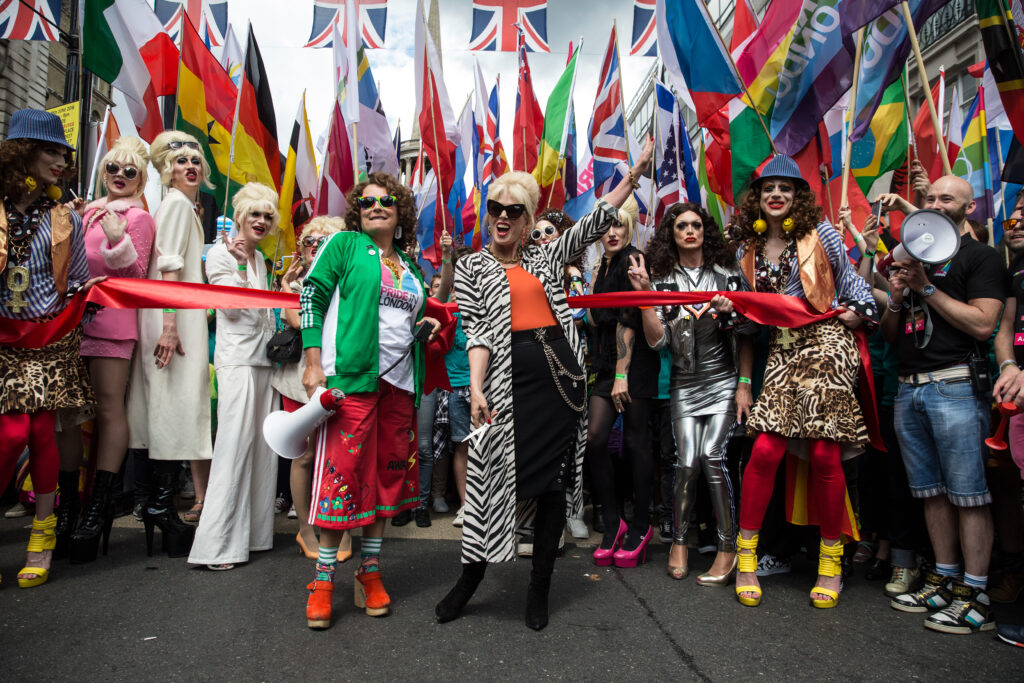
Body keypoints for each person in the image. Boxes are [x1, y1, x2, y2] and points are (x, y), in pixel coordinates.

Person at [434, 139, 653, 630]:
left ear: (529, 218)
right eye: (497, 209)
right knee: (490, 483)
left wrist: (633, 175)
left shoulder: (547, 256)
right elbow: (479, 331)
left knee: (552, 486)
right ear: (488, 215)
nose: (504, 216)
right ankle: (470, 580)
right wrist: (475, 386)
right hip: (507, 390)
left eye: (515, 209)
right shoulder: (472, 267)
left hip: (561, 384)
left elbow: (598, 218)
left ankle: (540, 588)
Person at [731, 155, 877, 609]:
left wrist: (858, 311)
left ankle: (830, 566)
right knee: (766, 449)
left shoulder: (823, 235)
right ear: (758, 198)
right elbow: (748, 322)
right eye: (769, 188)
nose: (777, 195)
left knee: (823, 453)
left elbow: (856, 286)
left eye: (786, 189)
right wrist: (729, 313)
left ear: (798, 198)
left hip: (828, 345)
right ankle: (747, 558)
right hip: (783, 350)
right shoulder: (745, 253)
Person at [300, 172, 442, 629]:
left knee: (385, 479)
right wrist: (312, 361)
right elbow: (312, 295)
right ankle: (323, 581)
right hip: (353, 383)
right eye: (367, 201)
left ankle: (370, 572)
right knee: (341, 477)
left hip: (400, 387)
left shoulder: (411, 267)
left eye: (386, 201)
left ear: (400, 212)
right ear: (357, 211)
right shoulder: (343, 246)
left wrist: (431, 328)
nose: (375, 205)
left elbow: (415, 321)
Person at [880, 175, 1006, 633]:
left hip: (954, 384)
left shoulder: (980, 258)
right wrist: (898, 297)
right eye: (929, 197)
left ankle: (976, 593)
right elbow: (892, 337)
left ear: (968, 208)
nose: (935, 203)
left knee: (968, 494)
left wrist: (928, 289)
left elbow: (981, 324)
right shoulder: (912, 258)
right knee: (930, 494)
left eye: (946, 198)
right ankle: (945, 580)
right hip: (911, 386)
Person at [0, 108, 97, 587]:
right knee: (7, 438)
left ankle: (43, 536)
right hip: (2, 341)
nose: (61, 160)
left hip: (49, 339)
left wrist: (88, 295)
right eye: (50, 150)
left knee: (40, 435)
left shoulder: (64, 220)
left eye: (64, 153)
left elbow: (78, 279)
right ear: (23, 152)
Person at [627, 201, 744, 584]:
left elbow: (748, 332)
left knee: (712, 456)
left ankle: (729, 548)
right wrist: (646, 296)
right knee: (686, 461)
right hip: (684, 383)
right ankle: (679, 541)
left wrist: (730, 314)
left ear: (705, 230)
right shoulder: (661, 281)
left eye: (696, 224)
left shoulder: (727, 273)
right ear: (671, 234)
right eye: (681, 226)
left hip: (723, 379)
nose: (689, 231)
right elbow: (657, 341)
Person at [60, 137, 156, 563]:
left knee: (108, 409)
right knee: (65, 412)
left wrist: (118, 238)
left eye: (129, 171)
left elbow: (135, 275)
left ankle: (99, 508)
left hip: (112, 322)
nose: (119, 176)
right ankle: (67, 507)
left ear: (141, 178)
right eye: (113, 169)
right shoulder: (87, 212)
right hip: (68, 323)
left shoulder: (138, 217)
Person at [127, 130, 213, 557]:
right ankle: (165, 508)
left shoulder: (178, 205)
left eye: (195, 159)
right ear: (165, 170)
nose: (190, 165)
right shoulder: (177, 204)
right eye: (180, 161)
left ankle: (160, 506)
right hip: (174, 316)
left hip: (172, 313)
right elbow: (170, 268)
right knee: (175, 405)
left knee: (170, 405)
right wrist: (171, 324)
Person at [187, 183, 279, 570]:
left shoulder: (260, 257)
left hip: (264, 362)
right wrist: (239, 265)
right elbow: (232, 307)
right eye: (254, 214)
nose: (260, 221)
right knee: (233, 447)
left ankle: (254, 536)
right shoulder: (221, 254)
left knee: (263, 452)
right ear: (240, 215)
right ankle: (218, 545)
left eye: (267, 216)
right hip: (237, 360)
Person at [585, 194, 661, 568]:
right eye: (606, 225)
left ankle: (641, 525)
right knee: (595, 438)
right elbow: (598, 320)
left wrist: (621, 375)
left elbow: (628, 319)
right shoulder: (602, 264)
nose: (612, 232)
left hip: (634, 368)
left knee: (636, 442)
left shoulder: (633, 258)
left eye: (618, 224)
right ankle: (613, 521)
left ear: (629, 227)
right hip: (604, 366)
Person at [273, 215, 352, 563]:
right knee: (303, 455)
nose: (315, 248)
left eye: (324, 242)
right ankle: (305, 529)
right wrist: (290, 288)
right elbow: (296, 319)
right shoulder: (291, 286)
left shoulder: (348, 282)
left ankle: (343, 528)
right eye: (310, 241)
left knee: (341, 453)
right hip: (301, 379)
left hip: (341, 377)